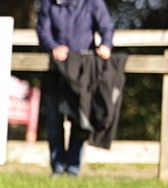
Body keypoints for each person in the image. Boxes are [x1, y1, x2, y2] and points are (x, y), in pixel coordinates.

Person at [36, 0, 114, 177]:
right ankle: (57, 167)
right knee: (54, 121)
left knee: (80, 121)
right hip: (55, 70)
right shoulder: (48, 4)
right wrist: (53, 47)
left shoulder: (92, 2)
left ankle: (73, 167)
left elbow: (106, 27)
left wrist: (106, 44)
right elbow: (42, 30)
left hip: (83, 72)